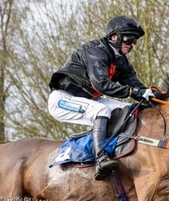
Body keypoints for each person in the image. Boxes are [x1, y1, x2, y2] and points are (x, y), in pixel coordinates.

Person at [47, 16, 155, 180]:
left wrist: (156, 97)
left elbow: (137, 86)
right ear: (114, 37)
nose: (132, 44)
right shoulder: (96, 51)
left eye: (134, 40)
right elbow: (101, 84)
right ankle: (101, 159)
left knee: (125, 110)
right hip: (63, 99)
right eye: (129, 38)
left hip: (90, 100)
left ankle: (118, 150)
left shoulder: (121, 62)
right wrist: (133, 92)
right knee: (102, 110)